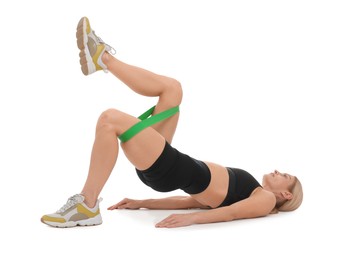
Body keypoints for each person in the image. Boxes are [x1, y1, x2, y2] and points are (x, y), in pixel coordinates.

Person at [41, 17, 303, 228]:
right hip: (170, 163)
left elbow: (231, 214)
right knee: (172, 89)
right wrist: (142, 202)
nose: (279, 171)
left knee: (109, 119)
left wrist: (192, 221)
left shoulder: (266, 199)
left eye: (285, 176)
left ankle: (87, 204)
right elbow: (192, 201)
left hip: (168, 166)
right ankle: (102, 59)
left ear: (287, 195)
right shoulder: (253, 191)